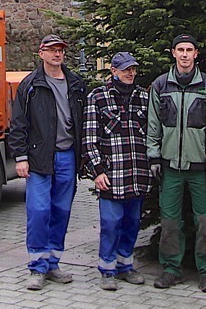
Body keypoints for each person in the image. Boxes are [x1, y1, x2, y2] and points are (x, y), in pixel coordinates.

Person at [8, 33, 88, 291]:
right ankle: (37, 267)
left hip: (67, 156)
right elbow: (18, 123)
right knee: (39, 211)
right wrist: (21, 157)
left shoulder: (76, 84)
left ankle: (53, 263)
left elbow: (85, 121)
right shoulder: (30, 85)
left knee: (61, 211)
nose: (57, 54)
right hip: (39, 157)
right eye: (52, 50)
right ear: (41, 53)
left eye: (60, 50)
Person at [145, 33, 206, 291]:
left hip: (200, 168)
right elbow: (153, 124)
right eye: (180, 49)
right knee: (170, 222)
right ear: (173, 53)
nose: (185, 54)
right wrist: (154, 157)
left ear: (196, 54)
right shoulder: (160, 85)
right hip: (169, 167)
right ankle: (171, 269)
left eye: (189, 50)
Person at [82, 51, 153, 291]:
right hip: (111, 176)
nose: (130, 73)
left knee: (132, 223)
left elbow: (153, 134)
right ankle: (107, 269)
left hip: (138, 173)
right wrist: (97, 171)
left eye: (133, 69)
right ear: (114, 71)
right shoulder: (97, 97)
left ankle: (126, 266)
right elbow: (89, 139)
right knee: (111, 224)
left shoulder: (144, 97)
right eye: (125, 70)